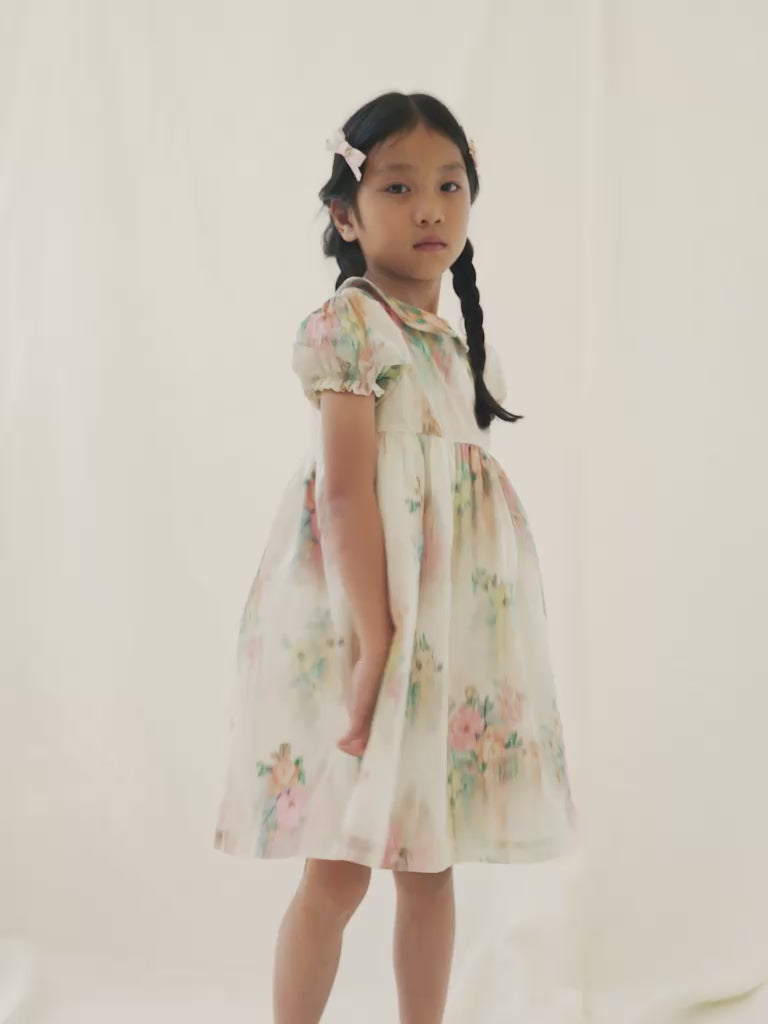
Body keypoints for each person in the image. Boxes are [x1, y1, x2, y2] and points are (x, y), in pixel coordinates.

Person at [213, 90, 579, 1024]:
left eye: (450, 186)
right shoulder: (353, 325)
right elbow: (345, 491)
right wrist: (375, 640)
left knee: (429, 865)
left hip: (441, 633)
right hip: (366, 622)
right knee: (338, 871)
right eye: (399, 187)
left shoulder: (454, 344)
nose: (430, 209)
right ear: (346, 214)